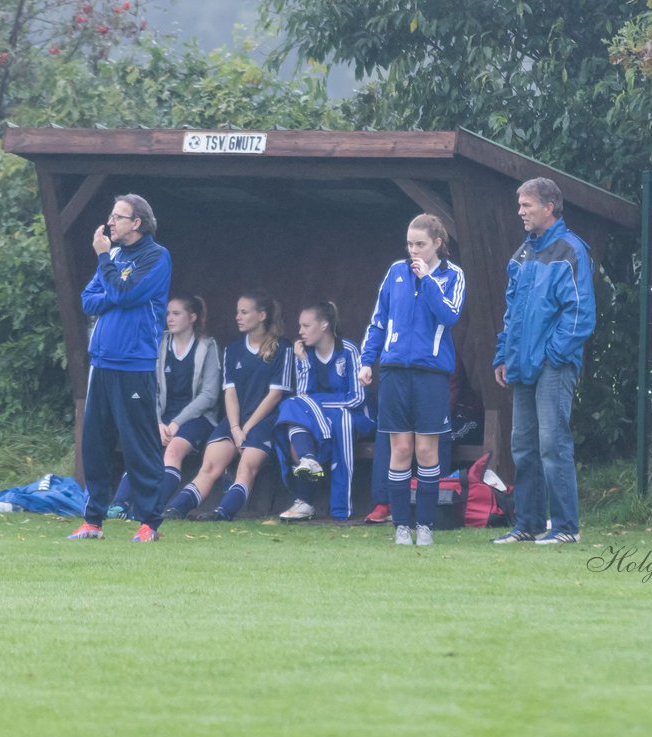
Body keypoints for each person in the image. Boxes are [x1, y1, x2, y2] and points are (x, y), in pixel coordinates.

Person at [491, 177, 595, 545]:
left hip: (554, 365)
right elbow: (512, 313)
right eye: (519, 205)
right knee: (523, 446)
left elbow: (580, 313)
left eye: (527, 205)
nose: (520, 211)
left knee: (553, 444)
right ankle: (529, 525)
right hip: (521, 365)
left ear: (548, 207)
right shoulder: (521, 254)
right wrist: (503, 355)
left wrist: (553, 355)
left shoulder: (571, 250)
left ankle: (566, 528)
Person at [68, 194, 171, 542]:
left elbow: (128, 293)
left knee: (138, 445)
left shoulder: (157, 257)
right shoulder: (111, 257)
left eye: (118, 217)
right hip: (102, 362)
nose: (110, 222)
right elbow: (88, 299)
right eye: (111, 216)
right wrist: (113, 285)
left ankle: (149, 524)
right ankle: (92, 521)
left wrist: (106, 271)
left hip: (134, 364)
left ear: (136, 223)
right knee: (94, 444)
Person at [359, 214, 465, 546]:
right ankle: (401, 526)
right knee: (400, 449)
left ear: (437, 243)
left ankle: (426, 526)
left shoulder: (453, 276)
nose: (413, 251)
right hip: (393, 372)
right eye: (409, 244)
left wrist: (429, 281)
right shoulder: (396, 272)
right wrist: (367, 361)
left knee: (426, 450)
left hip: (431, 374)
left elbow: (449, 315)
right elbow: (378, 320)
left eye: (420, 244)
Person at [162, 291, 293, 521]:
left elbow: (275, 395)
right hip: (235, 422)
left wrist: (246, 428)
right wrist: (234, 427)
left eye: (244, 312)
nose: (238, 317)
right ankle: (176, 509)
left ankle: (223, 512)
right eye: (237, 312)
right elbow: (229, 393)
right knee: (209, 467)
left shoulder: (282, 348)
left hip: (266, 421)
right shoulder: (232, 350)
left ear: (262, 315)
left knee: (246, 467)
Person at [108, 295, 221, 520]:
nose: (169, 318)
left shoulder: (207, 346)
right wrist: (158, 422)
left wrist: (177, 423)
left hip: (196, 418)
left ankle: (150, 508)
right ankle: (119, 505)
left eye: (176, 313)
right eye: (167, 313)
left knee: (172, 451)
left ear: (192, 317)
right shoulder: (159, 344)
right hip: (162, 418)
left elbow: (209, 395)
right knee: (142, 449)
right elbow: (150, 389)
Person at [274, 302, 375, 522]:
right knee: (293, 412)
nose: (300, 332)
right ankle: (308, 466)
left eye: (306, 325)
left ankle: (340, 509)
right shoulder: (304, 354)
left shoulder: (348, 350)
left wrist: (317, 405)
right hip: (321, 419)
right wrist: (302, 363)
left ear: (324, 325)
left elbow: (357, 398)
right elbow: (303, 396)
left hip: (353, 416)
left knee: (332, 417)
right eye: (300, 326)